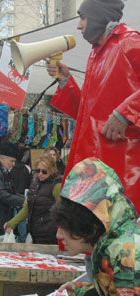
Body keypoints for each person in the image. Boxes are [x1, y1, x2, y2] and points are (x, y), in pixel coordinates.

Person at [46, 0, 140, 212]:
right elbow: (88, 115)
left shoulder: (130, 42)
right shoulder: (97, 54)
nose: (79, 25)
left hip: (123, 171)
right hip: (98, 167)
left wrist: (126, 112)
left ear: (98, 16)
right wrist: (65, 82)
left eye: (83, 17)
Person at [52, 158, 140, 296]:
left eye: (65, 227)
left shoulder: (126, 254)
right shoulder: (110, 245)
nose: (59, 235)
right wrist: (80, 292)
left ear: (87, 224)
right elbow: (113, 290)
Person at [4, 156, 62, 244]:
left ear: (52, 170)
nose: (40, 174)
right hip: (36, 232)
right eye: (38, 170)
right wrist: (12, 223)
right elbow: (28, 207)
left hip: (51, 235)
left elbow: (62, 210)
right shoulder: (35, 183)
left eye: (44, 171)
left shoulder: (57, 186)